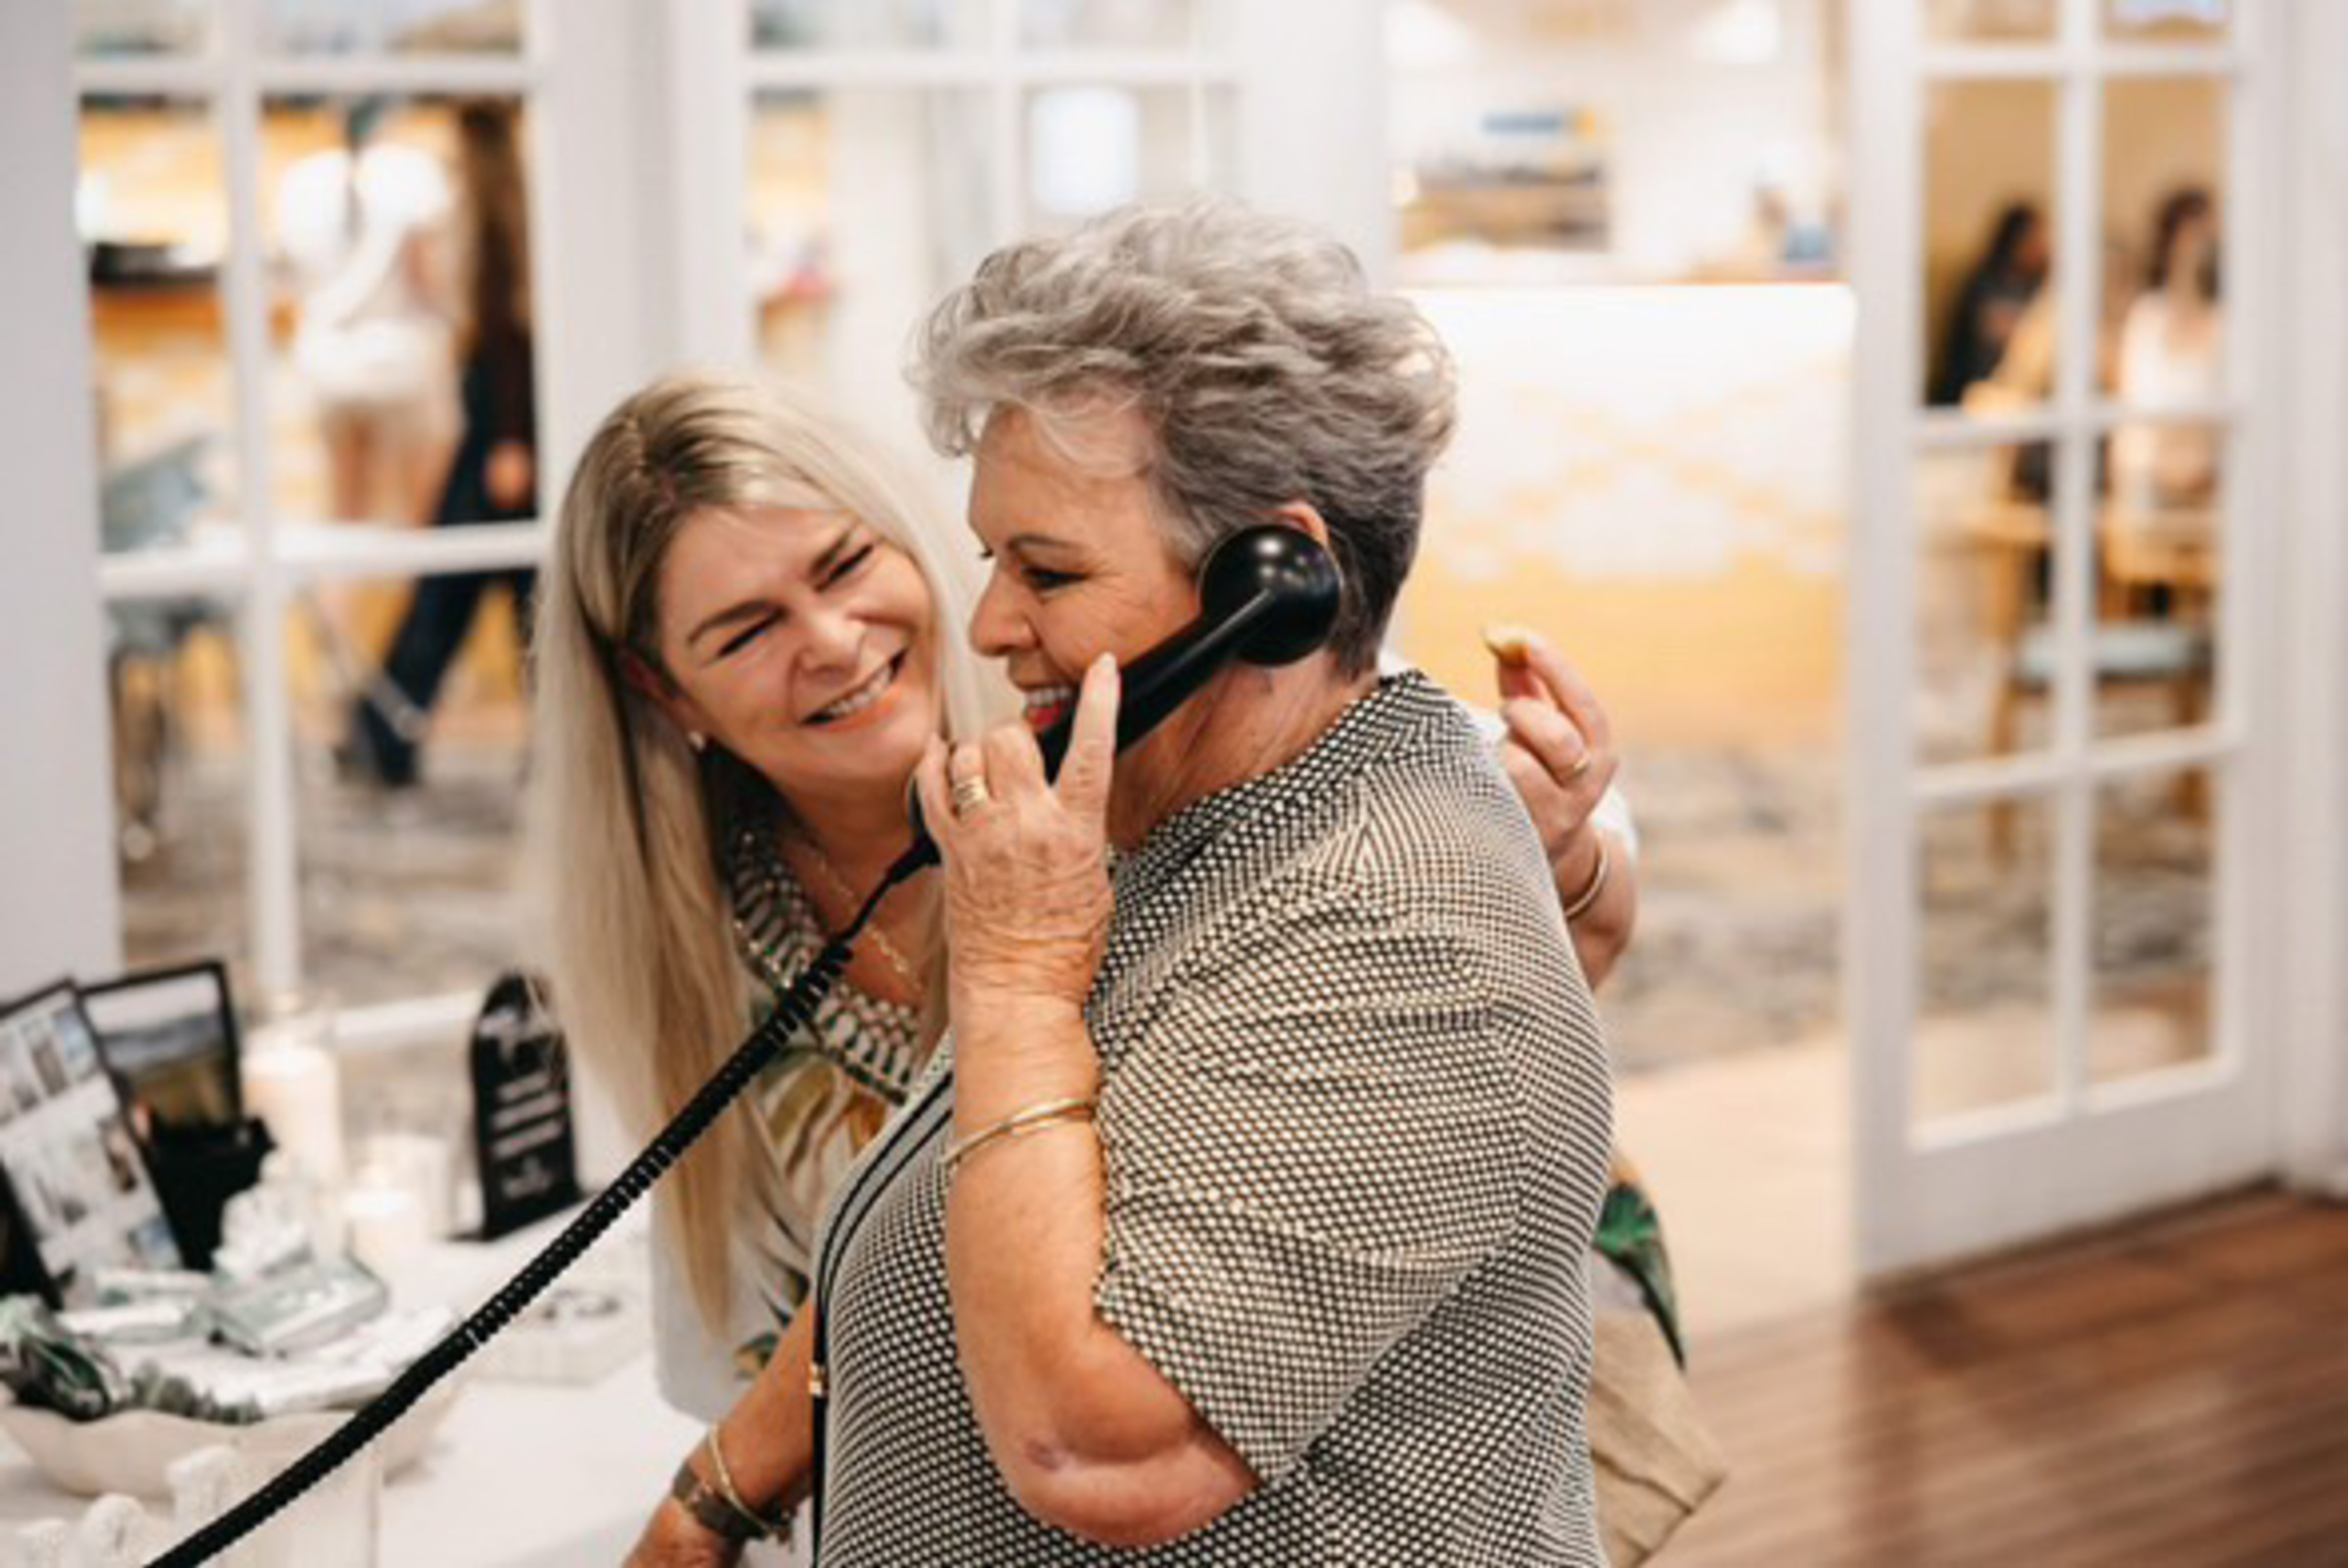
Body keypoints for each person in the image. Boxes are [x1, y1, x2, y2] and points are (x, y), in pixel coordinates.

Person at [527, 363, 1638, 1565]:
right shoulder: (702, 937)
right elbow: (795, 1298)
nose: (834, 644)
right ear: (660, 688)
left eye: (848, 568)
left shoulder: (1177, 780)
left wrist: (1561, 858)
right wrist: (720, 1497)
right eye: (746, 630)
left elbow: (1470, 966)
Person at [342, 99, 539, 788]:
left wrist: (512, 438)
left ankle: (381, 729)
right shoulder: (485, 203)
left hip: (508, 423)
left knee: (482, 590)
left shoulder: (494, 211)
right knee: (484, 589)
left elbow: (506, 333)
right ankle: (381, 728)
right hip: (496, 418)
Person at [274, 95, 454, 529]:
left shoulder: (301, 180)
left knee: (345, 505)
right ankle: (422, 599)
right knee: (421, 510)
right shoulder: (411, 172)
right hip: (401, 361)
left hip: (328, 361)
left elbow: (283, 282)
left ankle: (340, 599)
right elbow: (424, 277)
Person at [2111, 187, 2222, 513]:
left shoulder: (2226, 326)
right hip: (2148, 485)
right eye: (2197, 235)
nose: (2203, 248)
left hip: (2207, 487)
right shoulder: (2148, 318)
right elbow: (2133, 414)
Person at [1930, 201, 2050, 408]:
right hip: (1968, 396)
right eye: (2036, 239)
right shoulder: (1985, 283)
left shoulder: (2034, 284)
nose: (2043, 247)